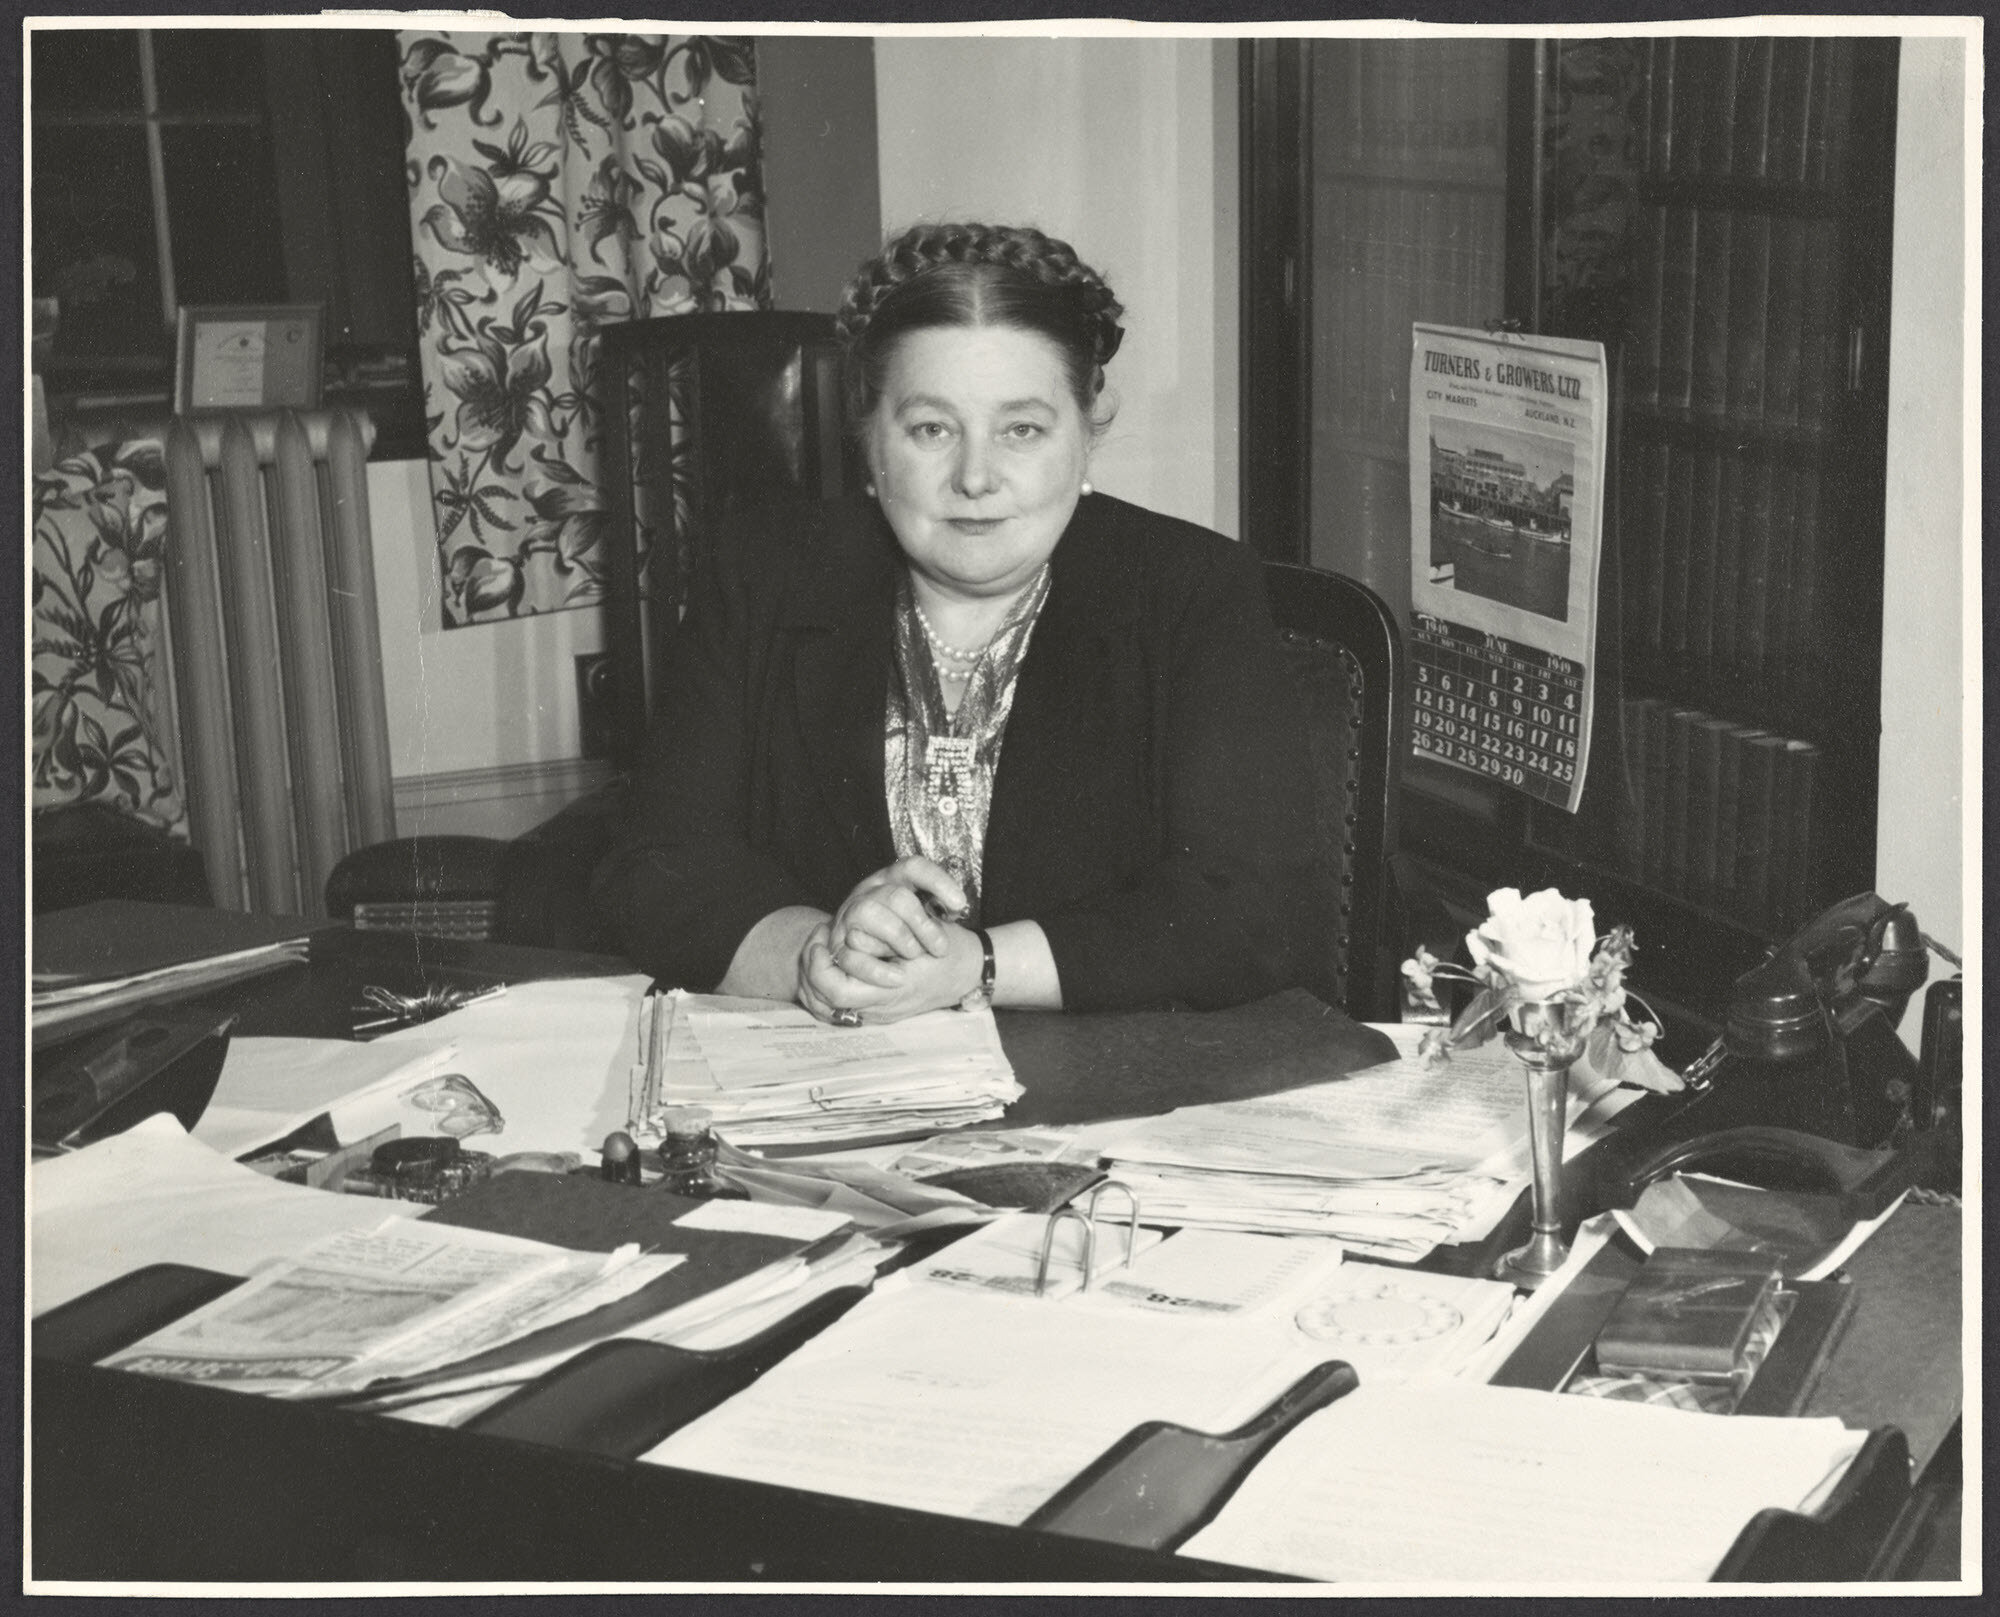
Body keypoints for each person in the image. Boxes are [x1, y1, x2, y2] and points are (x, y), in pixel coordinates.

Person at [593, 221, 1332, 1024]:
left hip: (1098, 1096)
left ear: (1085, 436)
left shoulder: (1192, 592)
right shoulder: (763, 577)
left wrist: (977, 967)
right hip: (828, 1089)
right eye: (931, 429)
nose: (976, 477)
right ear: (870, 442)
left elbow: (1256, 910)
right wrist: (816, 954)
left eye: (1022, 429)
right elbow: (655, 866)